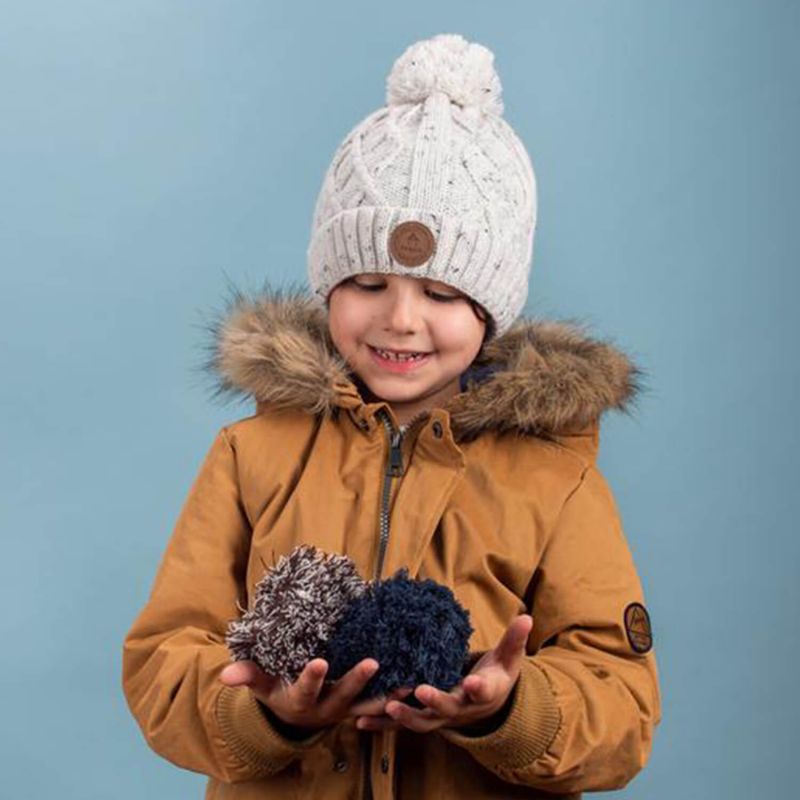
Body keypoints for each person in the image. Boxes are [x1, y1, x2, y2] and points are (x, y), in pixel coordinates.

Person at [122, 33, 661, 799]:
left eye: (441, 294)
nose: (401, 320)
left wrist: (511, 710)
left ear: (490, 312)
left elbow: (625, 706)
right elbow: (162, 660)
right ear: (326, 287)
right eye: (368, 281)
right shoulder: (251, 455)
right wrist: (266, 715)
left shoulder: (556, 478)